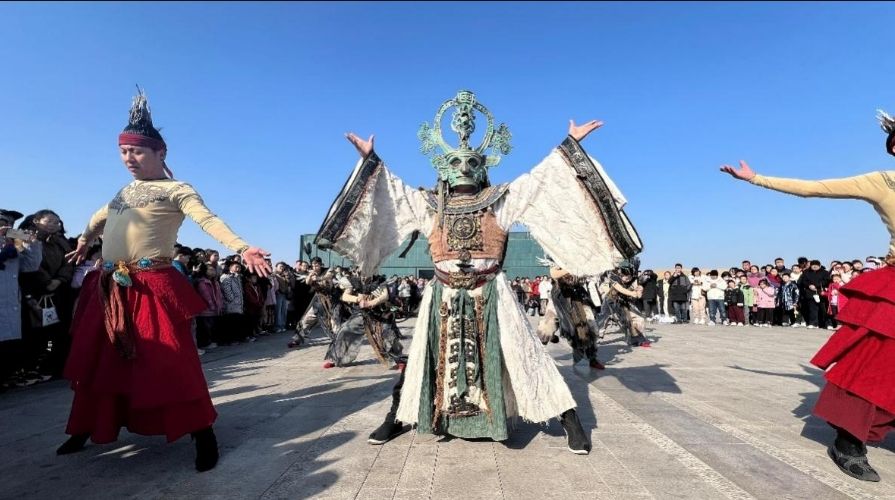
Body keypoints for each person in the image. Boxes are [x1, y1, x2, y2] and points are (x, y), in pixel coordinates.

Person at [316, 91, 642, 454]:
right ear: (444, 167)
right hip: (442, 295)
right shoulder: (429, 205)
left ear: (483, 166)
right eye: (455, 162)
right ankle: (398, 415)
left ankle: (569, 418)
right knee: (423, 359)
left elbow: (539, 180)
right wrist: (370, 161)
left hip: (492, 292)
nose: (463, 168)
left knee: (525, 354)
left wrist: (569, 145)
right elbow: (393, 194)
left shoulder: (500, 201)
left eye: (471, 162)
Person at [59, 88, 270, 472]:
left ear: (161, 153)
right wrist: (85, 240)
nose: (129, 158)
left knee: (170, 360)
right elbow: (98, 217)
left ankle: (202, 433)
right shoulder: (123, 192)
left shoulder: (178, 190)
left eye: (137, 151)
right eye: (124, 151)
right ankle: (88, 425)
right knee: (101, 360)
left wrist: (242, 247)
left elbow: (208, 220)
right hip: (108, 287)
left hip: (150, 286)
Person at [720, 109, 895, 481]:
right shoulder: (882, 182)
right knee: (877, 365)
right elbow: (816, 187)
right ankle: (848, 441)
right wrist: (758, 179)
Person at [0, 210, 42, 387]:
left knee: (7, 345)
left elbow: (31, 265)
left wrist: (32, 244)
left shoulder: (14, 247)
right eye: (2, 223)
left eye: (9, 224)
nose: (6, 227)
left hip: (10, 301)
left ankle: (6, 377)